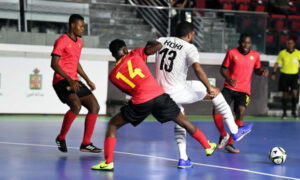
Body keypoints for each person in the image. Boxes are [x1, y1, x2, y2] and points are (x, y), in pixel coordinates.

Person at [91, 39, 217, 171]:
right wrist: (150, 42)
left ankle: (108, 162)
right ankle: (207, 146)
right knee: (183, 121)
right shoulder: (135, 54)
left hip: (140, 101)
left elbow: (128, 90)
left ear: (113, 54)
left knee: (113, 124)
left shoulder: (113, 75)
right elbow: (158, 46)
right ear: (124, 49)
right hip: (158, 96)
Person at [155, 21, 253, 168]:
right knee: (215, 92)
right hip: (178, 91)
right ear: (189, 35)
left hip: (160, 94)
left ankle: (183, 159)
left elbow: (144, 52)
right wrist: (209, 87)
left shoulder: (160, 41)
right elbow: (198, 69)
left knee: (180, 120)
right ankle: (235, 131)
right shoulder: (190, 47)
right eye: (193, 34)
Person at [51, 14, 101, 153]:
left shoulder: (79, 42)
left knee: (95, 107)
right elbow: (54, 64)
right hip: (61, 80)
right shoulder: (61, 41)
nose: (83, 29)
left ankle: (86, 143)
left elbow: (75, 62)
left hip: (74, 80)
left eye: (84, 26)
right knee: (76, 106)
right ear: (73, 25)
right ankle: (61, 138)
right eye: (81, 26)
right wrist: (69, 79)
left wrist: (87, 79)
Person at [213, 33, 268, 154]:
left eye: (248, 43)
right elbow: (223, 69)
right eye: (243, 42)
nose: (245, 45)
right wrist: (228, 78)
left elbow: (257, 70)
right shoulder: (232, 53)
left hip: (244, 91)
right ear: (239, 42)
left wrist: (262, 71)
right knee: (216, 110)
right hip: (229, 88)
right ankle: (223, 135)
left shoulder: (255, 55)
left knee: (241, 111)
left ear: (251, 44)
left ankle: (230, 144)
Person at [271, 38, 300, 119]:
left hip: (294, 76)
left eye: (291, 43)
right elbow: (277, 63)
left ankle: (294, 112)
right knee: (285, 94)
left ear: (294, 44)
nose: (290, 44)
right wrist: (273, 73)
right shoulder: (282, 53)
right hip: (285, 76)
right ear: (287, 44)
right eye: (288, 43)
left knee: (295, 93)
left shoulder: (298, 53)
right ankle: (284, 113)